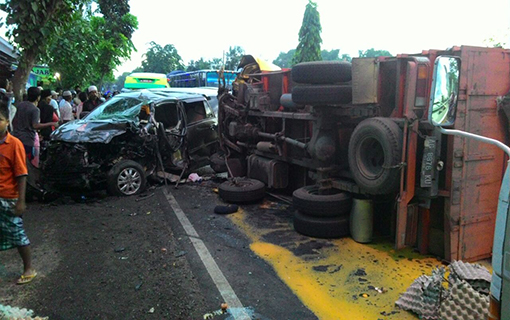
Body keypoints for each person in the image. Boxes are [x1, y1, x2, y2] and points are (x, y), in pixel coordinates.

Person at [0, 92, 36, 285]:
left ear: (7, 122)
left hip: (10, 197)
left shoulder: (14, 144)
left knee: (17, 233)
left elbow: (22, 175)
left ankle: (29, 268)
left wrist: (21, 201)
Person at [12, 87, 57, 166]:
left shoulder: (21, 105)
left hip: (16, 137)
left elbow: (14, 121)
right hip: (28, 139)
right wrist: (51, 123)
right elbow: (35, 125)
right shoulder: (35, 110)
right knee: (26, 164)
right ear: (38, 97)